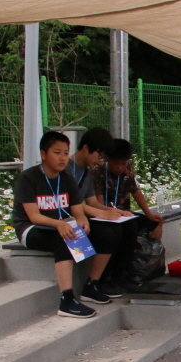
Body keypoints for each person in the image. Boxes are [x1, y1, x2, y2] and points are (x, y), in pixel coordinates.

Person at [12, 131, 99, 318]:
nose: (62, 158)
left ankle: (95, 285)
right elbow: (34, 216)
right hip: (31, 228)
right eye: (57, 152)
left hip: (61, 223)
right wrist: (59, 224)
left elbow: (77, 211)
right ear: (43, 154)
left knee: (101, 231)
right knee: (62, 238)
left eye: (66, 153)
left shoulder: (67, 178)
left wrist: (83, 222)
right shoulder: (28, 178)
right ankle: (67, 300)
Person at [62, 127, 126, 300]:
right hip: (65, 219)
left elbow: (91, 202)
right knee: (106, 234)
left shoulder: (88, 171)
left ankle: (103, 281)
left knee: (123, 227)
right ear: (86, 148)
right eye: (99, 155)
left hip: (80, 217)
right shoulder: (65, 168)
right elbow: (68, 204)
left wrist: (112, 211)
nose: (100, 161)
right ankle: (89, 285)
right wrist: (102, 215)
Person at [92, 138, 164, 286]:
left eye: (123, 164)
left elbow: (136, 191)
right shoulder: (97, 171)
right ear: (108, 160)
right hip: (106, 215)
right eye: (116, 164)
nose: (120, 168)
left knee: (154, 223)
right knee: (124, 231)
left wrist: (149, 214)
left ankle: (150, 266)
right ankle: (113, 275)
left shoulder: (127, 169)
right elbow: (97, 203)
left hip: (125, 214)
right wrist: (111, 212)